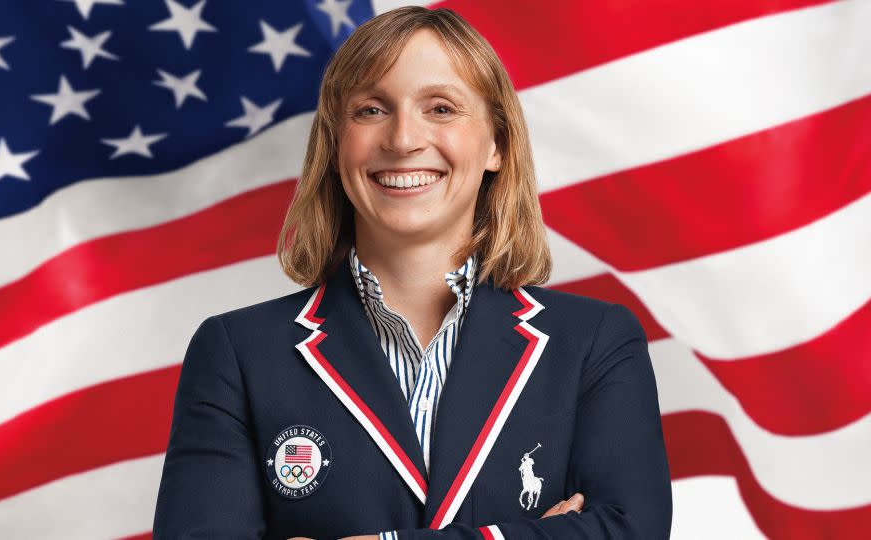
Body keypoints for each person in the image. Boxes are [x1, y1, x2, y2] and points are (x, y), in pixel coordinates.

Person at [153, 6, 672, 540]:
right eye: (372, 110)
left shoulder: (593, 342)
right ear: (334, 145)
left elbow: (631, 532)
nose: (403, 139)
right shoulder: (238, 353)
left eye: (441, 108)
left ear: (497, 144)